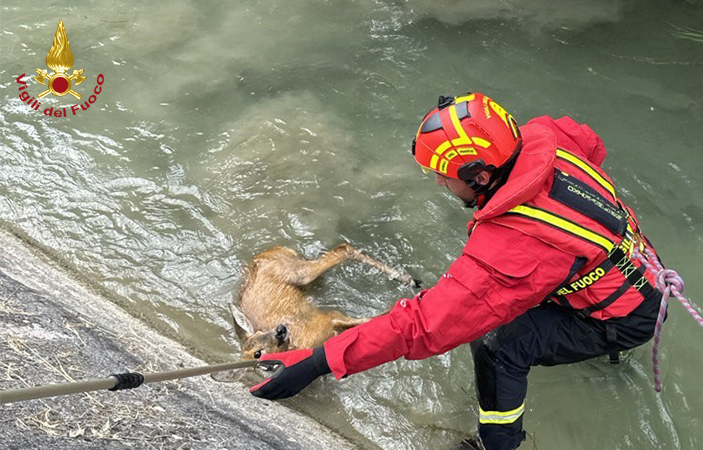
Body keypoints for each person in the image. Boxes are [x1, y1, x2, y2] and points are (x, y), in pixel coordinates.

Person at [250, 93, 665, 450]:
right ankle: (610, 358)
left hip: (620, 317)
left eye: (443, 176)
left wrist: (319, 360)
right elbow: (590, 145)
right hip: (640, 274)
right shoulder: (551, 142)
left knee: (496, 344)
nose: (437, 184)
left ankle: (495, 442)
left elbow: (426, 326)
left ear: (480, 175)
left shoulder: (518, 245)